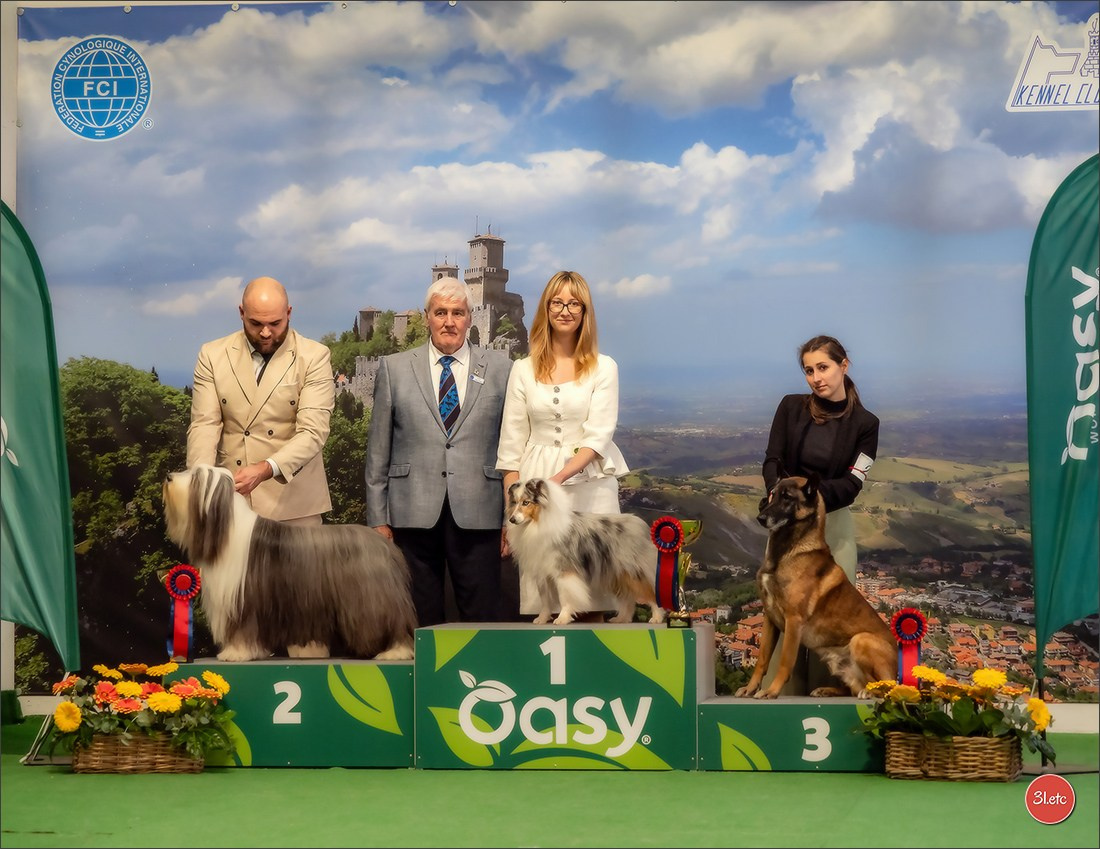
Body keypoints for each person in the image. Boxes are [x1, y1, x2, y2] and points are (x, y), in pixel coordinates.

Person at [365, 276, 513, 627]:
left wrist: (511, 519)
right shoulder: (394, 369)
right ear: (427, 317)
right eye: (441, 312)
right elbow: (377, 451)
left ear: (470, 318)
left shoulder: (502, 369)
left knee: (482, 623)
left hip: (480, 513)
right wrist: (377, 518)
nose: (449, 321)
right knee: (418, 621)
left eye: (458, 313)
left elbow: (512, 448)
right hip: (410, 514)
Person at [495, 270, 630, 621]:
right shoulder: (522, 370)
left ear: (585, 312)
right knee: (547, 602)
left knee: (594, 600)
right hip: (533, 492)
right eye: (558, 302)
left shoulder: (605, 368)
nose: (566, 310)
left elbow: (598, 437)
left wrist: (553, 484)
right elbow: (510, 446)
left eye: (575, 303)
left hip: (590, 488)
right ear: (546, 309)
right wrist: (513, 513)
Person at [760, 334, 880, 693]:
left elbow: (853, 483)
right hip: (789, 526)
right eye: (809, 370)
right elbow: (772, 459)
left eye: (823, 367)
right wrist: (780, 494)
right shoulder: (790, 406)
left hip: (835, 527)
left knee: (832, 622)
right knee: (783, 617)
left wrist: (810, 497)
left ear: (844, 365)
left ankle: (832, 700)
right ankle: (779, 695)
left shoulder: (866, 424)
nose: (816, 377)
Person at [187, 276, 335, 526]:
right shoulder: (212, 355)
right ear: (241, 313)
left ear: (289, 313)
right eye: (255, 323)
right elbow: (204, 425)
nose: (266, 333)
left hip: (294, 507)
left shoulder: (314, 357)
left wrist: (266, 468)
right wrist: (200, 484)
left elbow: (313, 432)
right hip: (230, 503)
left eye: (275, 323)